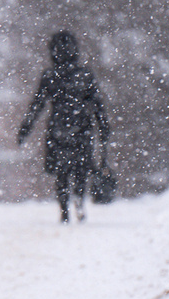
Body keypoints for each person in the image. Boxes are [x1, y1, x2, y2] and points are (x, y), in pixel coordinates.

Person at [18, 30, 111, 222]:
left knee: (62, 172)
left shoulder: (50, 75)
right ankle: (79, 197)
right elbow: (97, 104)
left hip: (59, 129)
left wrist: (26, 128)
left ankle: (64, 207)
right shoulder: (85, 75)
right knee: (81, 169)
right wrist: (103, 127)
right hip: (82, 128)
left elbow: (38, 104)